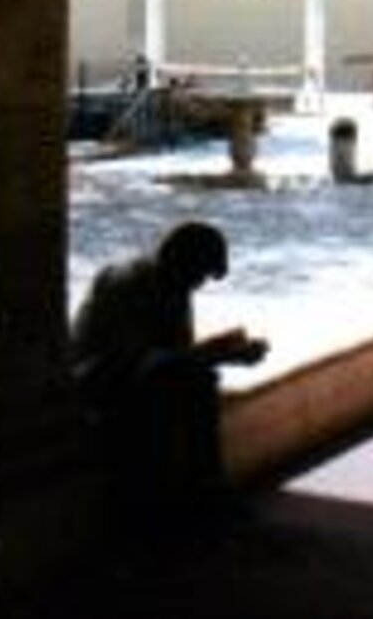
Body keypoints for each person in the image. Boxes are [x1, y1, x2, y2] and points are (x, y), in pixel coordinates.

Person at [70, 222, 266, 521]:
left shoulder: (173, 283)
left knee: (198, 381)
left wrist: (220, 351)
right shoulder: (129, 284)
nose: (200, 285)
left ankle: (204, 487)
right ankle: (195, 493)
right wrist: (216, 355)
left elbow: (173, 355)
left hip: (131, 373)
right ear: (182, 262)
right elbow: (131, 360)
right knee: (187, 387)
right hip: (98, 381)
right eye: (200, 275)